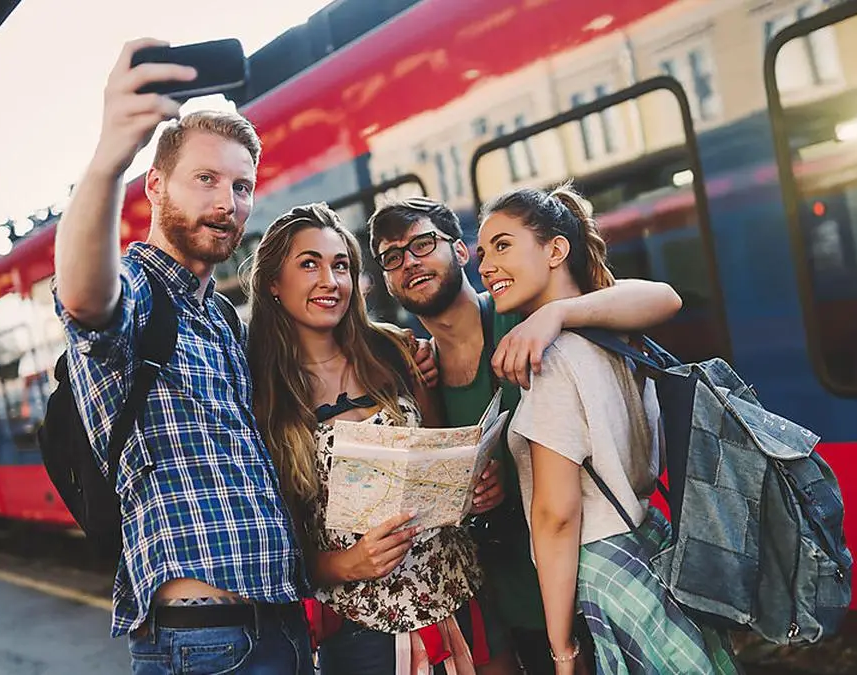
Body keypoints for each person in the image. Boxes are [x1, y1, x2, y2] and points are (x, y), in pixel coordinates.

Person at [53, 39, 312, 672]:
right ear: (156, 184)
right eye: (207, 179)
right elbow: (86, 299)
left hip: (280, 626)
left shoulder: (221, 317)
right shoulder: (138, 292)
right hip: (203, 642)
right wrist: (109, 158)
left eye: (243, 186)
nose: (229, 204)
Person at [368, 196, 684, 674]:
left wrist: (555, 315)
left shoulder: (522, 311)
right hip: (507, 598)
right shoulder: (418, 371)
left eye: (422, 244)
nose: (409, 261)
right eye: (392, 257)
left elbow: (663, 298)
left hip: (587, 585)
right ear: (386, 279)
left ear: (458, 252)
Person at [246, 203, 516, 674]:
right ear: (273, 282)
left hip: (460, 594)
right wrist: (347, 563)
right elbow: (275, 547)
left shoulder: (393, 350)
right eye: (309, 264)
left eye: (341, 265)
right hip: (363, 634)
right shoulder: (262, 397)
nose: (330, 281)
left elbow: (438, 451)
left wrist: (476, 486)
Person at [480, 183, 739, 674]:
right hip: (646, 543)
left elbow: (557, 515)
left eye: (503, 245)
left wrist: (561, 649)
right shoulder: (618, 334)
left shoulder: (552, 361)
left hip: (603, 568)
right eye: (482, 252)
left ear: (557, 249)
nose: (486, 265)